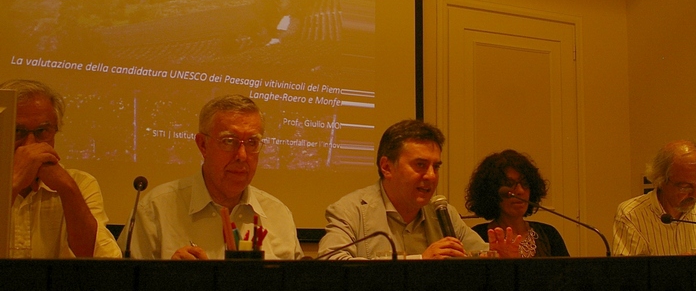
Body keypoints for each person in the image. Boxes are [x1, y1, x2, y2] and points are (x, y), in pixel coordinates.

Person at [122, 94, 303, 260]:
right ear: (203, 145)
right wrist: (169, 277)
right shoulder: (154, 210)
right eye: (229, 141)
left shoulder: (278, 215)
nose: (242, 155)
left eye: (252, 143)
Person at [317, 119, 521, 259]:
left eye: (436, 166)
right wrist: (420, 260)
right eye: (420, 165)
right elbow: (331, 262)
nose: (431, 176)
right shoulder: (350, 210)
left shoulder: (444, 213)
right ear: (387, 167)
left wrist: (498, 258)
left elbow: (477, 255)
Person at [4, 79, 121, 258]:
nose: (30, 145)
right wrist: (12, 184)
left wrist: (67, 188)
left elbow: (101, 261)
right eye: (18, 131)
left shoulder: (81, 183)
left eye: (42, 131)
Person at [465, 149, 569, 257]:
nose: (520, 191)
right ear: (492, 191)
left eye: (525, 183)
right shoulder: (477, 236)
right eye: (509, 184)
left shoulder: (549, 235)